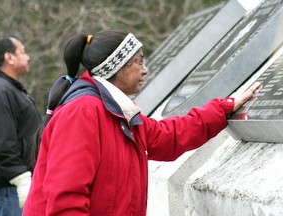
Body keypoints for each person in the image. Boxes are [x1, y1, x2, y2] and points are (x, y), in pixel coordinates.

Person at [23, 29, 261, 216]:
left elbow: (168, 136)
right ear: (116, 67)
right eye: (138, 62)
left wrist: (224, 107)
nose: (145, 70)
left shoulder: (116, 111)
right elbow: (66, 200)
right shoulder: (82, 112)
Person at [0, 36, 42, 215]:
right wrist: (21, 178)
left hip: (11, 191)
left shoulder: (7, 88)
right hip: (9, 191)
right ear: (9, 57)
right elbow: (1, 142)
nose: (28, 57)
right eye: (23, 52)